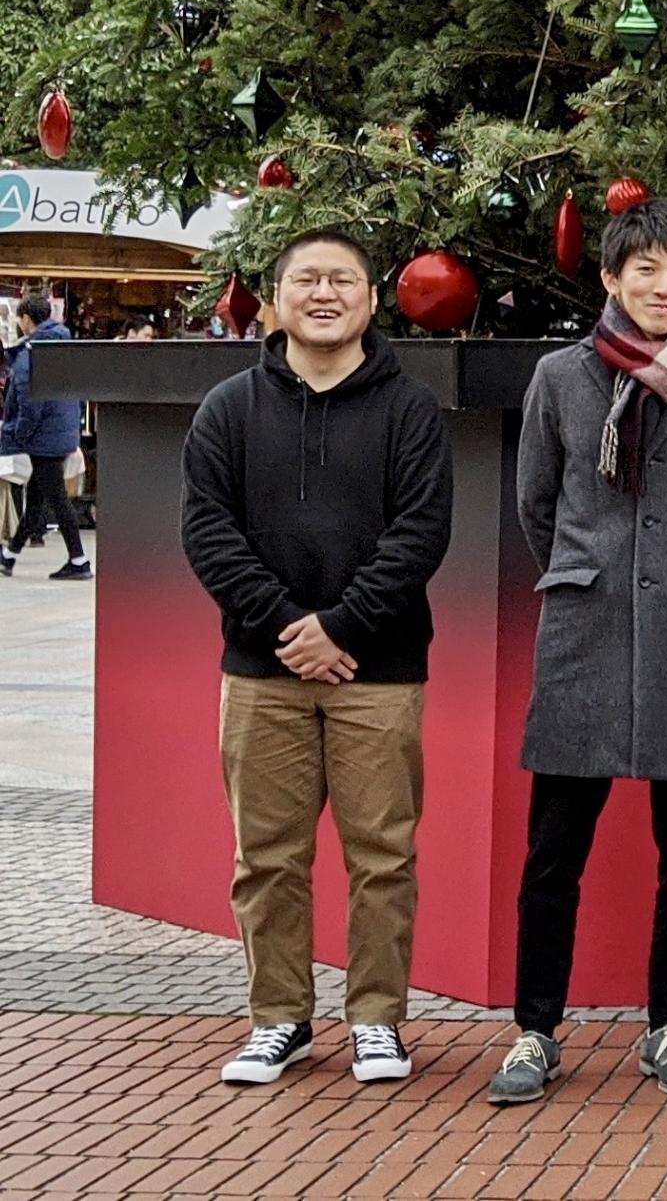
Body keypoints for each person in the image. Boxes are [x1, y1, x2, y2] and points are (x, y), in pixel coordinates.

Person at [485, 201, 667, 1105]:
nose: (665, 286)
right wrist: (590, 572)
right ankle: (535, 1030)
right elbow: (536, 501)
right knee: (553, 851)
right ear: (610, 277)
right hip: (585, 628)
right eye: (646, 268)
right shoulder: (560, 376)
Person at [181, 231, 455, 1085]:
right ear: (275, 299)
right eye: (307, 279)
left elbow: (420, 534)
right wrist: (288, 627)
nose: (325, 293)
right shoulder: (228, 408)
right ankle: (279, 1017)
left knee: (382, 854)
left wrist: (341, 627)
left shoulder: (410, 410)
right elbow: (208, 533)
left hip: (379, 670)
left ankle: (377, 1018)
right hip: (261, 672)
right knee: (266, 855)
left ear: (372, 300)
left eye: (343, 279)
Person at [1, 292, 91, 580]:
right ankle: (9, 555)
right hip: (61, 432)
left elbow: (29, 402)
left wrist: (18, 434)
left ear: (27, 319)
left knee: (57, 500)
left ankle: (79, 560)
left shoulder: (32, 353)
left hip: (44, 438)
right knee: (38, 499)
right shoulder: (64, 347)